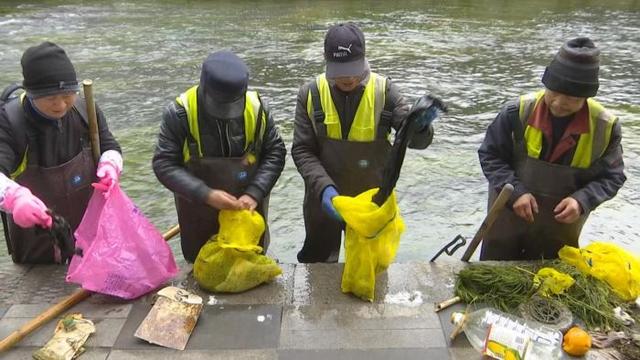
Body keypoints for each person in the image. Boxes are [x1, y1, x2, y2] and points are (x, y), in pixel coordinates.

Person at [291, 23, 438, 263]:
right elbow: (302, 150)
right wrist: (324, 188)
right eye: (339, 70)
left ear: (364, 58)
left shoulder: (385, 91)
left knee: (369, 267)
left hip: (371, 203)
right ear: (326, 61)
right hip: (324, 201)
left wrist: (421, 127)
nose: (347, 77)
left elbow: (413, 141)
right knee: (318, 265)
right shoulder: (309, 94)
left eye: (352, 69)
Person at [478, 37, 626, 260]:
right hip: (505, 226)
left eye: (570, 98)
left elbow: (612, 177)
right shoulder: (515, 113)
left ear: (586, 97)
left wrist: (582, 200)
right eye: (553, 91)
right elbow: (490, 155)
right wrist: (516, 192)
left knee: (549, 286)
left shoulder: (606, 128)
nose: (558, 102)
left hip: (557, 234)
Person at [153, 50, 286, 262]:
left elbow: (276, 153)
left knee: (249, 265)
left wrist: (255, 192)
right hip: (199, 216)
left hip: (247, 212)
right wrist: (205, 194)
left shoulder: (258, 109)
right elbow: (164, 164)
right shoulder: (179, 113)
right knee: (201, 270)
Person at [0, 41, 122, 264]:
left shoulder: (87, 111)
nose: (61, 105)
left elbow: (110, 145)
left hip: (89, 238)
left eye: (67, 95)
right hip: (37, 245)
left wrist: (110, 165)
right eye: (50, 98)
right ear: (31, 94)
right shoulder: (9, 122)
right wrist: (14, 198)